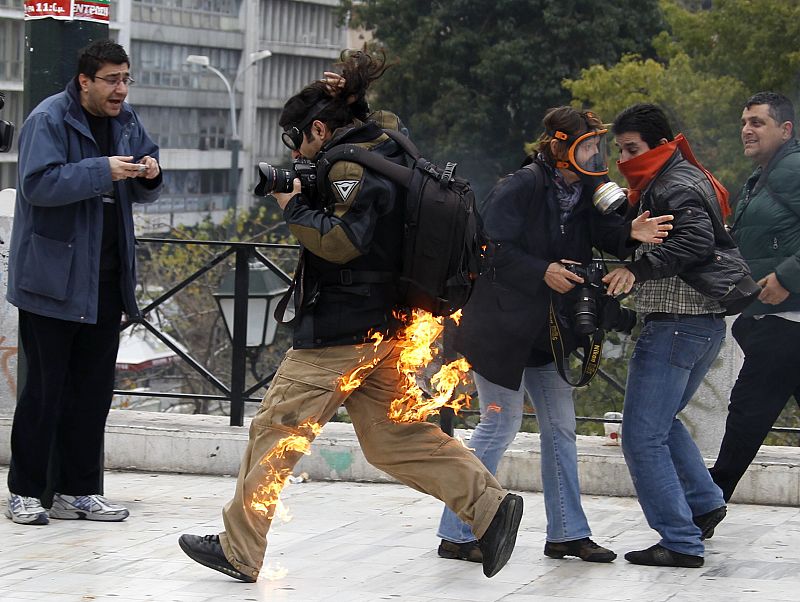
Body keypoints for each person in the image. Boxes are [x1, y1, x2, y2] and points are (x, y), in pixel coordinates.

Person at [178, 50, 523, 583]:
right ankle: (490, 507)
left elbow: (342, 241)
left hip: (341, 332)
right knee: (391, 437)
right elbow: (376, 148)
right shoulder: (389, 145)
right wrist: (349, 98)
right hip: (389, 328)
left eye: (297, 140)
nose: (296, 153)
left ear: (318, 129)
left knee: (275, 428)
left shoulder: (348, 165)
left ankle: (239, 549)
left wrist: (293, 203)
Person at [435, 106, 673, 565]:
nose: (595, 153)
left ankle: (567, 533)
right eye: (587, 145)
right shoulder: (520, 185)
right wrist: (541, 269)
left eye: (596, 144)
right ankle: (456, 531)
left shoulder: (587, 189)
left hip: (549, 333)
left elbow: (610, 233)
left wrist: (633, 232)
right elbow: (491, 248)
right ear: (560, 146)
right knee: (499, 424)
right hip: (499, 330)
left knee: (561, 428)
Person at [5, 39, 162, 525]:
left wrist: (151, 174)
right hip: (52, 283)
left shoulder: (127, 121)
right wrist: (102, 170)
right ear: (85, 82)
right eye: (112, 80)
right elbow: (38, 184)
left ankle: (80, 490)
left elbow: (144, 176)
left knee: (92, 394)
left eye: (126, 79)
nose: (121, 90)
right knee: (44, 393)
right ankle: (26, 492)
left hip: (106, 280)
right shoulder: (48, 119)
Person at [603, 103, 729, 568]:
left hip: (676, 323)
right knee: (663, 422)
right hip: (699, 325)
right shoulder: (683, 176)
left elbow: (695, 243)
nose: (624, 159)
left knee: (640, 437)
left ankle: (679, 540)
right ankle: (703, 503)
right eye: (619, 150)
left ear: (660, 145)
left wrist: (635, 269)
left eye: (632, 149)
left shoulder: (675, 184)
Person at [709, 92, 800, 502]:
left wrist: (786, 275)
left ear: (785, 130)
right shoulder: (762, 178)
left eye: (758, 122)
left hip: (785, 318)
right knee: (747, 415)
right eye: (745, 121)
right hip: (774, 319)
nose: (747, 129)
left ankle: (703, 509)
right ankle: (704, 507)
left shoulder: (794, 169)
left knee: (746, 414)